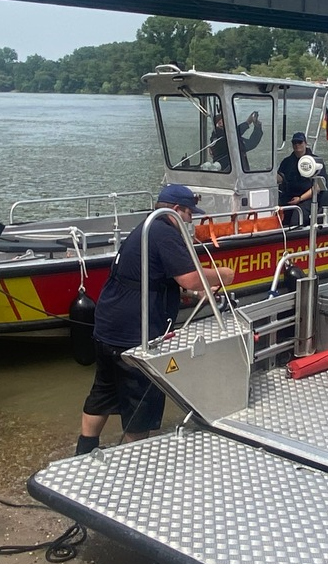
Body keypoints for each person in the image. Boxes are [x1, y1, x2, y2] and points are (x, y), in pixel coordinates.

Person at [77, 184, 235, 454]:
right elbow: (189, 276)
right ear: (176, 211)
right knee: (141, 400)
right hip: (133, 332)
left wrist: (193, 293)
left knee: (103, 391)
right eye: (189, 215)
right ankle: (133, 459)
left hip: (107, 326)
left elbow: (156, 274)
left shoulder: (144, 229)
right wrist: (222, 274)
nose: (190, 221)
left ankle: (84, 449)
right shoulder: (164, 232)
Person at [277, 131, 327, 226]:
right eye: (294, 143)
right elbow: (280, 178)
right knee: (277, 217)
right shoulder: (287, 162)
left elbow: (319, 186)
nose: (297, 145)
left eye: (300, 142)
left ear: (305, 143)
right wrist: (269, 175)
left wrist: (300, 198)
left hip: (308, 199)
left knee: (295, 220)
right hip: (289, 196)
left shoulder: (316, 162)